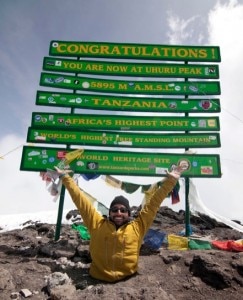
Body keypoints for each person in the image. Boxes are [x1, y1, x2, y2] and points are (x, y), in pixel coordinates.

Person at [55, 166, 182, 282]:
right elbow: (81, 201)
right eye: (115, 210)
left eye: (123, 210)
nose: (119, 213)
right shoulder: (97, 224)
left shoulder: (138, 227)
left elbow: (154, 204)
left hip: (128, 280)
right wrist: (66, 178)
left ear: (128, 213)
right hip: (97, 278)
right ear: (110, 212)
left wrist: (171, 181)